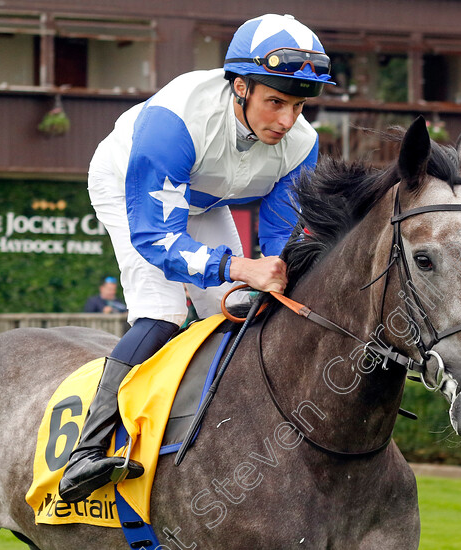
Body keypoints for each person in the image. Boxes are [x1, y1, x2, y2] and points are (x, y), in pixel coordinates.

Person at [59, 14, 334, 503]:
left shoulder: (301, 145)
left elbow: (279, 241)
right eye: (274, 102)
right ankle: (86, 449)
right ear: (240, 88)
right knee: (163, 312)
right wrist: (236, 266)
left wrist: (271, 279)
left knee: (238, 313)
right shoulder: (176, 119)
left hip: (204, 202)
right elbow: (156, 239)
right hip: (130, 190)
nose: (287, 121)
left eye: (297, 105)